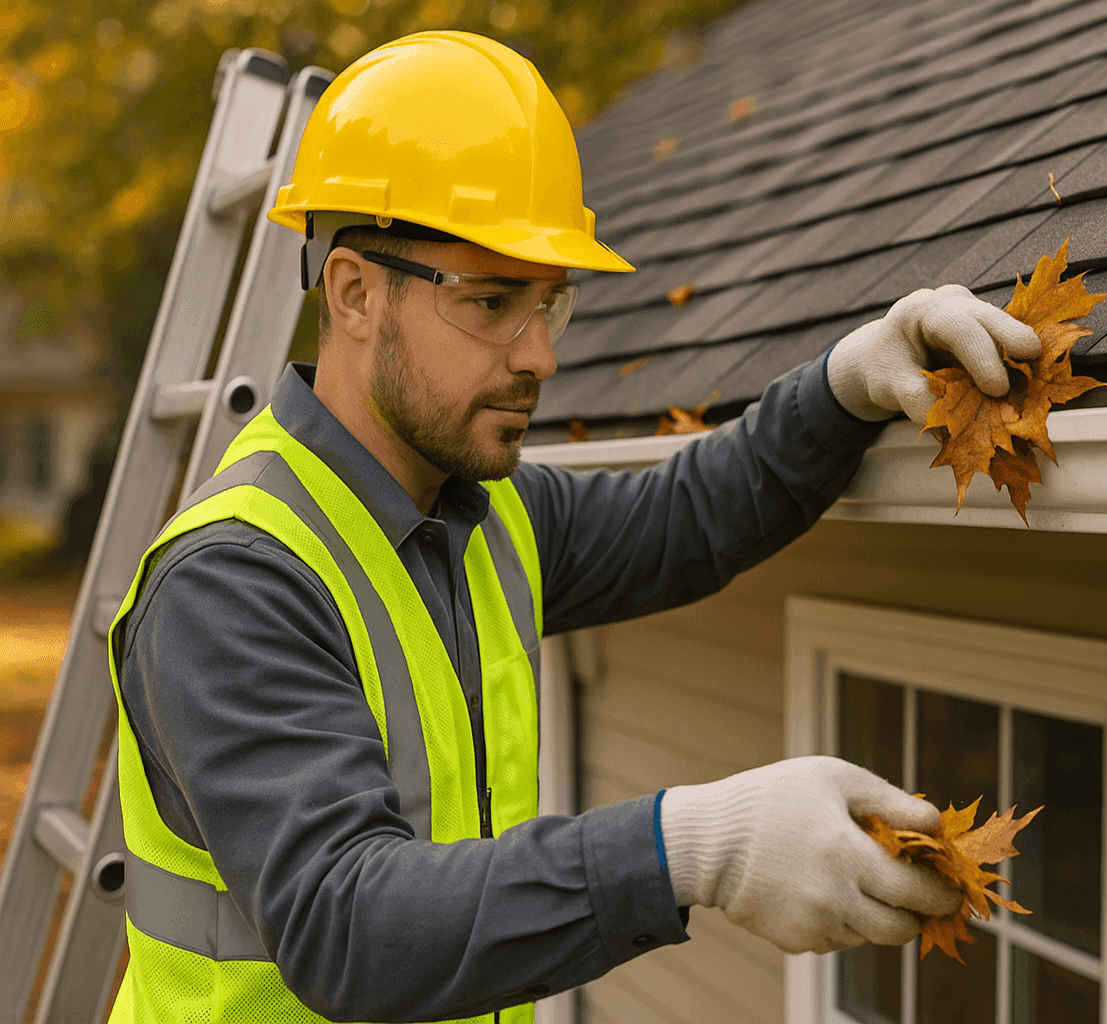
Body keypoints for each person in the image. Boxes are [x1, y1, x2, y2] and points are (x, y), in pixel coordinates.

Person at [106, 31, 1041, 1022]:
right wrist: (690, 848)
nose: (540, 357)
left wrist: (847, 385)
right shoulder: (234, 579)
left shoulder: (487, 512)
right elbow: (348, 927)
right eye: (493, 301)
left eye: (550, 305)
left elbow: (684, 518)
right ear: (354, 294)